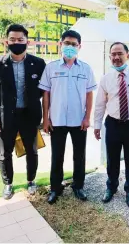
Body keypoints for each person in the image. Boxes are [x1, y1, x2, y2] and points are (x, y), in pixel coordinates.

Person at [0, 24, 46, 199]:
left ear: (27, 41)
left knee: (32, 151)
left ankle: (31, 181)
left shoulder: (38, 63)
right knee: (5, 153)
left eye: (20, 39)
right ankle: (8, 184)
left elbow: (44, 90)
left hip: (29, 115)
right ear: (6, 41)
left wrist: (35, 103)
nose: (16, 42)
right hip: (6, 117)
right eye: (13, 39)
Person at [39, 30, 97, 204]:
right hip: (56, 120)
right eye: (67, 43)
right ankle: (55, 188)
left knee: (79, 155)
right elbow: (46, 95)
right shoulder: (51, 67)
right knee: (57, 155)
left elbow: (89, 95)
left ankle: (78, 186)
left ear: (80, 47)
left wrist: (87, 118)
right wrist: (46, 119)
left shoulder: (86, 68)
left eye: (74, 44)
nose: (70, 47)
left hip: (79, 120)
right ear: (60, 44)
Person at [94, 42, 129, 207]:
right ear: (110, 57)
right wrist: (97, 125)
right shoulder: (106, 79)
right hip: (112, 124)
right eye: (113, 54)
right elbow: (100, 105)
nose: (117, 57)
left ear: (127, 55)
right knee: (112, 159)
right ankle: (111, 187)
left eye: (120, 53)